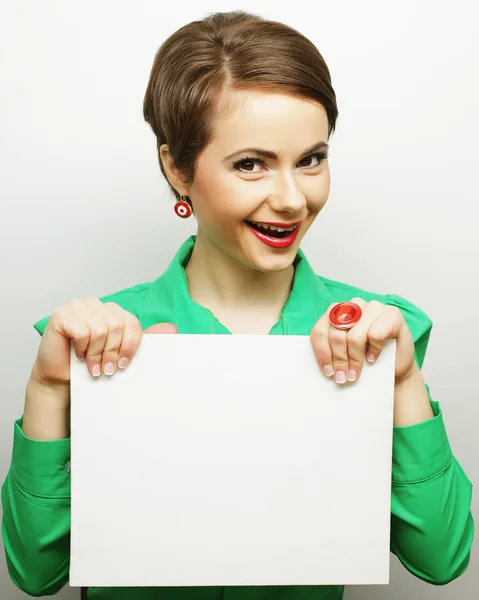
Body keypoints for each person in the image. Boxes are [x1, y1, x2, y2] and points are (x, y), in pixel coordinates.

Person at [1, 9, 474, 600]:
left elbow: (442, 558)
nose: (292, 198)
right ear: (177, 168)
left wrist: (401, 379)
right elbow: (34, 572)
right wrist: (49, 391)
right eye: (250, 164)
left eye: (312, 158)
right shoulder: (92, 338)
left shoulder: (376, 333)